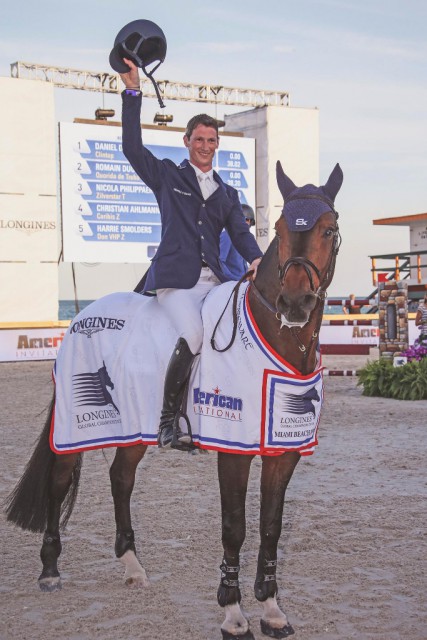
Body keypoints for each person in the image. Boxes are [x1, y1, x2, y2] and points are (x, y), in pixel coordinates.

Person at [120, 59, 263, 449]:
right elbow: (132, 148)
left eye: (211, 141)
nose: (205, 146)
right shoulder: (167, 176)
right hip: (176, 282)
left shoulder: (228, 194)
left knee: (239, 333)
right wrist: (133, 92)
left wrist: (256, 259)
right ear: (187, 141)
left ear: (218, 144)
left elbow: (240, 234)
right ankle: (168, 422)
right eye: (199, 139)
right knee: (197, 334)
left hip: (216, 282)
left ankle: (218, 414)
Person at [219, 204, 256, 280]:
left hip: (243, 282)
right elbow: (220, 262)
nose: (248, 223)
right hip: (231, 284)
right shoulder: (227, 236)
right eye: (246, 219)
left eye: (249, 220)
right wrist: (232, 279)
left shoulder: (247, 238)